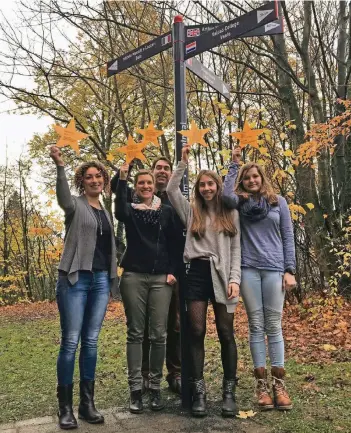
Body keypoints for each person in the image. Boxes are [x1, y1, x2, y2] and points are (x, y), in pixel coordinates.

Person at [166, 145, 241, 418]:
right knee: (196, 331)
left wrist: (235, 279)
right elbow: (171, 191)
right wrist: (182, 163)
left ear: (218, 186)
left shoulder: (230, 213)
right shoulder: (191, 212)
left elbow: (237, 250)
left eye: (211, 184)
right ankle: (199, 392)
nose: (207, 188)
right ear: (198, 188)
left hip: (223, 274)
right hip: (195, 273)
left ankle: (229, 393)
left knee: (225, 332)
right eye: (203, 185)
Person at [222, 147, 296, 411]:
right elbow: (225, 195)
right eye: (247, 178)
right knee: (256, 325)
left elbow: (288, 237)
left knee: (274, 326)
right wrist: (234, 165)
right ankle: (261, 387)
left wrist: (290, 270)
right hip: (249, 269)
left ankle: (279, 385)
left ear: (262, 178)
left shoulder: (279, 203)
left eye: (255, 176)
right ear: (243, 181)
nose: (252, 181)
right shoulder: (239, 204)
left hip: (275, 270)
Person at [50, 145, 117, 430]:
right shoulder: (75, 205)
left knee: (90, 342)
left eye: (98, 176)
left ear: (104, 180)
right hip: (75, 279)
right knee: (71, 342)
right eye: (89, 176)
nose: (94, 180)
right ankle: (64, 408)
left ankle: (87, 404)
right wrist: (60, 166)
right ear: (82, 181)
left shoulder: (105, 209)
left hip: (101, 280)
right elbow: (63, 197)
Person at [111, 156, 183, 395]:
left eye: (148, 183)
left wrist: (173, 271)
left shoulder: (169, 208)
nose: (145, 186)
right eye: (140, 183)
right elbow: (119, 205)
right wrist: (124, 173)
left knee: (164, 331)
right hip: (135, 275)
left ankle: (164, 379)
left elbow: (176, 243)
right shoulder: (131, 208)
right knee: (137, 331)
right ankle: (138, 382)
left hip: (163, 277)